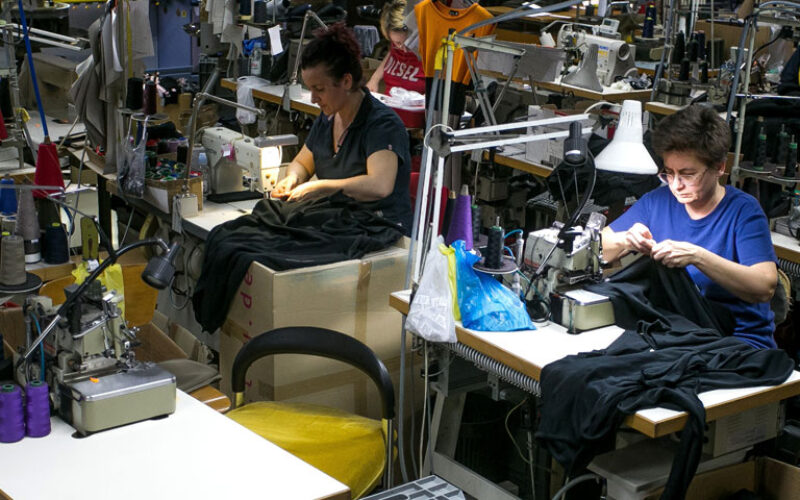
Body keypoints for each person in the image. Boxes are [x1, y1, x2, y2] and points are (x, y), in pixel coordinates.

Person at [601, 104, 778, 349]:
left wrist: (697, 256)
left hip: (737, 343)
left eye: (688, 174)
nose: (676, 185)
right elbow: (599, 246)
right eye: (669, 173)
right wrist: (625, 240)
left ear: (719, 167)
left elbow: (764, 287)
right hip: (678, 332)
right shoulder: (658, 202)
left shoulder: (743, 211)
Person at [272, 23, 413, 233]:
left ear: (346, 81)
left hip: (380, 229)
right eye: (310, 89)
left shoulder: (382, 125)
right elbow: (302, 163)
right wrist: (293, 177)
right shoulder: (328, 117)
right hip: (341, 222)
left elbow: (379, 186)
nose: (313, 98)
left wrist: (322, 187)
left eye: (319, 89)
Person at [365, 0, 425, 96]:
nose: (404, 49)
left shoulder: (427, 52)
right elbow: (390, 53)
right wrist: (374, 79)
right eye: (397, 43)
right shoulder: (395, 45)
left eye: (408, 42)